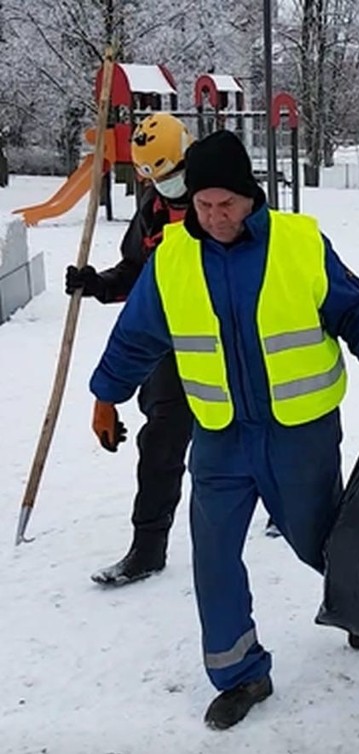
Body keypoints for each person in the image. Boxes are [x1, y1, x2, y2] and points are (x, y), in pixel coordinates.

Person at [88, 129, 359, 729]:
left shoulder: (298, 243)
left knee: (317, 538)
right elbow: (136, 336)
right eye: (204, 205)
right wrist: (105, 397)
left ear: (251, 198)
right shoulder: (173, 258)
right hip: (219, 436)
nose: (215, 218)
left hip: (299, 432)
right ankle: (241, 673)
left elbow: (355, 309)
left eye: (228, 205)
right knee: (213, 556)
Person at [66, 112, 195, 585]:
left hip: (228, 346)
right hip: (168, 349)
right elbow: (135, 274)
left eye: (174, 176)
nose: (168, 188)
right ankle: (147, 547)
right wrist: (96, 284)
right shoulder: (152, 209)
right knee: (160, 443)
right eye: (156, 179)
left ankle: (281, 514)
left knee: (249, 441)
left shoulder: (221, 203)